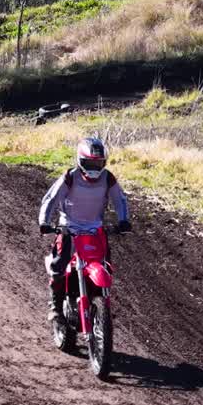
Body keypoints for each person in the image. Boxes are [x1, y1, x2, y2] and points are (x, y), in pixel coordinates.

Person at [38, 137, 131, 323]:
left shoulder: (108, 178)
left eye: (98, 163)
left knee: (106, 266)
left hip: (95, 228)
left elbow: (120, 199)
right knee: (59, 265)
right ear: (80, 160)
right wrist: (44, 221)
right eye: (90, 163)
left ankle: (102, 303)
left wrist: (124, 220)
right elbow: (51, 199)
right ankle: (55, 306)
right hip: (68, 227)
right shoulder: (70, 177)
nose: (94, 168)